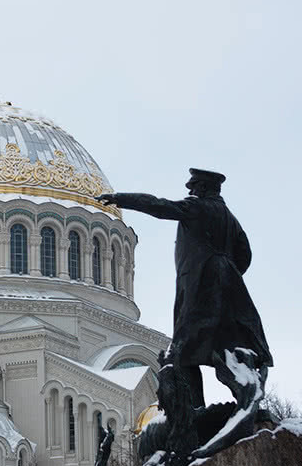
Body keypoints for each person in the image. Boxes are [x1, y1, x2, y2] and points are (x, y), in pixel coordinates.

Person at [97, 168, 272, 409]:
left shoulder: (198, 208)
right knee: (223, 343)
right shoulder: (230, 218)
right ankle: (240, 396)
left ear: (203, 188)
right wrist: (227, 270)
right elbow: (245, 254)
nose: (190, 190)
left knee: (182, 353)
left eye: (194, 185)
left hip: (200, 287)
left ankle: (197, 411)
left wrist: (121, 199)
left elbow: (158, 206)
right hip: (229, 286)